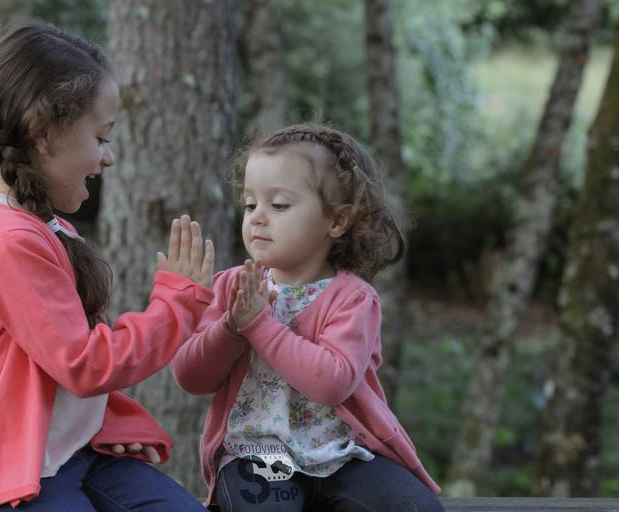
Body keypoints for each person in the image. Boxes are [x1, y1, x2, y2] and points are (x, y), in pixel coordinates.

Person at [0, 22, 214, 512]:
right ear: (43, 134)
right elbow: (85, 364)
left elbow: (55, 371)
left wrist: (106, 425)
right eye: (101, 137)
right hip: (8, 473)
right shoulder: (7, 241)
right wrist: (177, 306)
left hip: (73, 455)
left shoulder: (47, 227)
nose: (109, 158)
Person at [171, 123, 444, 512]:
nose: (257, 217)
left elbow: (332, 382)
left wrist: (259, 325)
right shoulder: (234, 287)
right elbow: (190, 377)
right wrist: (231, 327)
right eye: (250, 205)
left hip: (345, 455)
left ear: (336, 221)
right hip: (258, 455)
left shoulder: (353, 298)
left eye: (279, 205)